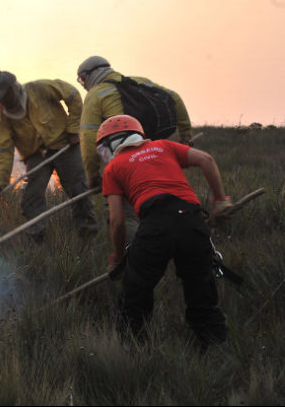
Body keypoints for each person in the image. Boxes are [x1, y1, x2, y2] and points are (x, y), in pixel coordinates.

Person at [97, 114, 233, 349]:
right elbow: (207, 159)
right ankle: (217, 350)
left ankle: (135, 354)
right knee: (200, 291)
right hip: (191, 222)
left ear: (107, 146)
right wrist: (220, 201)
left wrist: (118, 260)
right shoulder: (163, 146)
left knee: (135, 295)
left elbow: (117, 221)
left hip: (155, 226)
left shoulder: (113, 168)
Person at [0, 71, 97, 243]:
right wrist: (0, 185)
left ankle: (88, 236)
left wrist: (74, 128)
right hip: (36, 156)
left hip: (65, 145)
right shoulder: (3, 117)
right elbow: (3, 150)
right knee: (31, 199)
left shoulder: (40, 89)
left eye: (4, 95)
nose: (1, 101)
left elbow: (73, 95)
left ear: (14, 89)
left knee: (78, 191)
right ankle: (35, 242)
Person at [76, 55, 193, 189]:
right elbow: (174, 97)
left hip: (124, 155)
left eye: (83, 79)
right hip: (155, 148)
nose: (84, 84)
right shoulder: (140, 81)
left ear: (92, 74)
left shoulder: (95, 95)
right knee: (166, 187)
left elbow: (88, 136)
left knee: (119, 196)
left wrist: (93, 176)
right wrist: (185, 135)